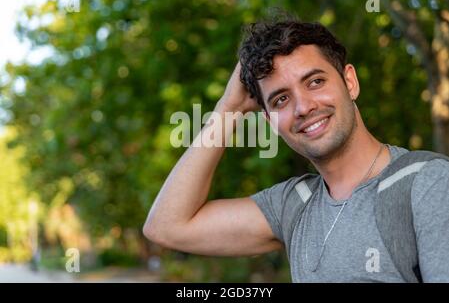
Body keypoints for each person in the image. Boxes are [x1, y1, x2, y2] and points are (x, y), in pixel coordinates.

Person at [143, 17, 449, 282]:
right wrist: (229, 108)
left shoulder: (428, 183)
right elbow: (167, 227)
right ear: (269, 121)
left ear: (350, 82)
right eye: (280, 100)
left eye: (315, 82)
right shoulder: (294, 205)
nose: (303, 107)